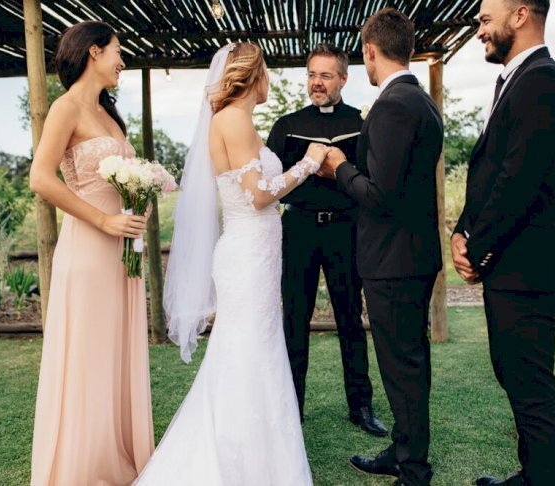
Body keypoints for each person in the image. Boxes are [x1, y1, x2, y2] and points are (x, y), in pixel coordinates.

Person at [137, 42, 328, 485]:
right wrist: (308, 164)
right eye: (266, 72)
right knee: (250, 351)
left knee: (253, 349)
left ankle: (259, 455)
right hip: (248, 254)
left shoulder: (235, 120)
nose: (270, 81)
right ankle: (242, 462)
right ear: (252, 76)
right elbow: (257, 195)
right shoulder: (235, 119)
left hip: (253, 252)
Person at [451, 1, 555, 485]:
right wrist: (462, 231)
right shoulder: (517, 81)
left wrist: (477, 248)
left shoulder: (543, 82)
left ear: (521, 15)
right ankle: (533, 475)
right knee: (515, 376)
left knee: (531, 390)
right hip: (513, 264)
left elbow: (517, 182)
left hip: (527, 267)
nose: (479, 28)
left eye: (486, 19)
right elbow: (490, 172)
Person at [319, 8, 444, 486]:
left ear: (370, 51)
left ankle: (413, 468)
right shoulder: (422, 101)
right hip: (411, 256)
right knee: (408, 362)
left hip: (394, 260)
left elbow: (380, 195)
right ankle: (404, 448)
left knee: (402, 365)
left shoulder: (393, 105)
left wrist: (339, 166)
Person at [28, 21, 154, 486]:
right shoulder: (65, 108)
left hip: (120, 251)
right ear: (94, 53)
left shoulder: (109, 114)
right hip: (88, 249)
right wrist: (102, 221)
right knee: (89, 354)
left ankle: (117, 452)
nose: (122, 61)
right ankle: (83, 467)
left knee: (114, 354)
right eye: (118, 51)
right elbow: (40, 178)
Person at [266, 43, 387, 437]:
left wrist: (339, 169)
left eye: (326, 76)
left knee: (351, 318)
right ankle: (291, 406)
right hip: (298, 229)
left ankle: (361, 405)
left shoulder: (362, 121)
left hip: (346, 229)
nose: (317, 83)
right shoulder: (286, 125)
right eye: (312, 75)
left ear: (343, 79)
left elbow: (371, 178)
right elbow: (271, 181)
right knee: (293, 319)